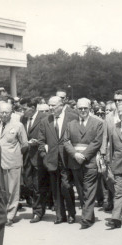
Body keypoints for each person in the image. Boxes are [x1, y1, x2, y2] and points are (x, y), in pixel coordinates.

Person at [64, 98, 104, 230]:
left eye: (85, 108)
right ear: (76, 109)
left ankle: (85, 219)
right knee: (81, 191)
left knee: (89, 190)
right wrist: (75, 154)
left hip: (90, 162)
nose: (82, 111)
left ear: (90, 109)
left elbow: (97, 142)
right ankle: (90, 215)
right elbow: (66, 141)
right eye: (80, 108)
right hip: (75, 162)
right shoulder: (71, 124)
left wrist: (84, 155)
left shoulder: (97, 123)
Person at [38, 96, 78, 224]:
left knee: (66, 186)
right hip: (52, 160)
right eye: (49, 105)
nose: (50, 108)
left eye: (53, 105)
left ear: (61, 105)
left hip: (67, 159)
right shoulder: (45, 121)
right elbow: (41, 141)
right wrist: (45, 157)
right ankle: (60, 215)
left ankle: (71, 213)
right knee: (55, 189)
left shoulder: (71, 118)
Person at [0, 102, 28, 226]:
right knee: (0, 190)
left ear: (11, 112)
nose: (4, 115)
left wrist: (15, 155)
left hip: (13, 162)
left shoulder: (18, 125)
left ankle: (10, 216)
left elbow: (25, 144)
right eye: (1, 112)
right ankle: (1, 213)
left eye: (7, 112)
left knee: (13, 190)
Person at [22, 98, 49, 223]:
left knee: (38, 185)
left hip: (38, 156)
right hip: (26, 157)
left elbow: (48, 135)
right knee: (28, 184)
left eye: (24, 109)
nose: (23, 111)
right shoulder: (23, 119)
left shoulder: (44, 117)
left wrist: (39, 142)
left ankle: (38, 212)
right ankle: (37, 207)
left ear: (32, 108)